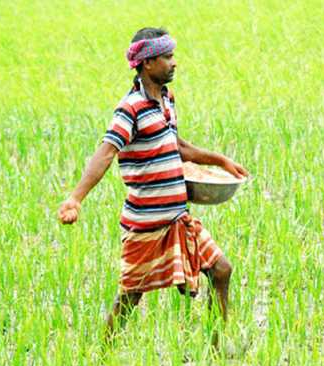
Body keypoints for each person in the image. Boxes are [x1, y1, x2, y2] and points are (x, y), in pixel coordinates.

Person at [57, 27, 249, 342]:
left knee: (221, 270)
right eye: (167, 57)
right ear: (148, 63)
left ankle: (218, 345)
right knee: (131, 297)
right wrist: (76, 198)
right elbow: (105, 154)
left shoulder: (166, 100)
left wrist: (220, 160)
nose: (174, 63)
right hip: (145, 225)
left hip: (177, 219)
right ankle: (102, 355)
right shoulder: (129, 109)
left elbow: (178, 147)